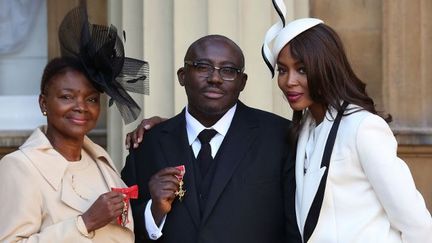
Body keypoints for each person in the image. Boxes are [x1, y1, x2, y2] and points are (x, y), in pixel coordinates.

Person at [261, 1, 432, 242]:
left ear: (325, 67)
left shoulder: (363, 128)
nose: (289, 81)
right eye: (282, 70)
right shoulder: (303, 131)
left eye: (302, 69)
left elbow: (418, 225)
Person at [121, 34, 296, 243]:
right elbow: (123, 226)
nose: (215, 78)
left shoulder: (279, 136)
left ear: (243, 82)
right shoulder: (147, 144)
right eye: (202, 67)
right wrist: (153, 212)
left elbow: (296, 226)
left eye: (229, 70)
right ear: (182, 75)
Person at [0, 5, 148, 242]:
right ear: (43, 103)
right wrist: (84, 223)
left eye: (91, 99)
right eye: (67, 96)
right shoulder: (20, 167)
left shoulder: (101, 162)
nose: (81, 106)